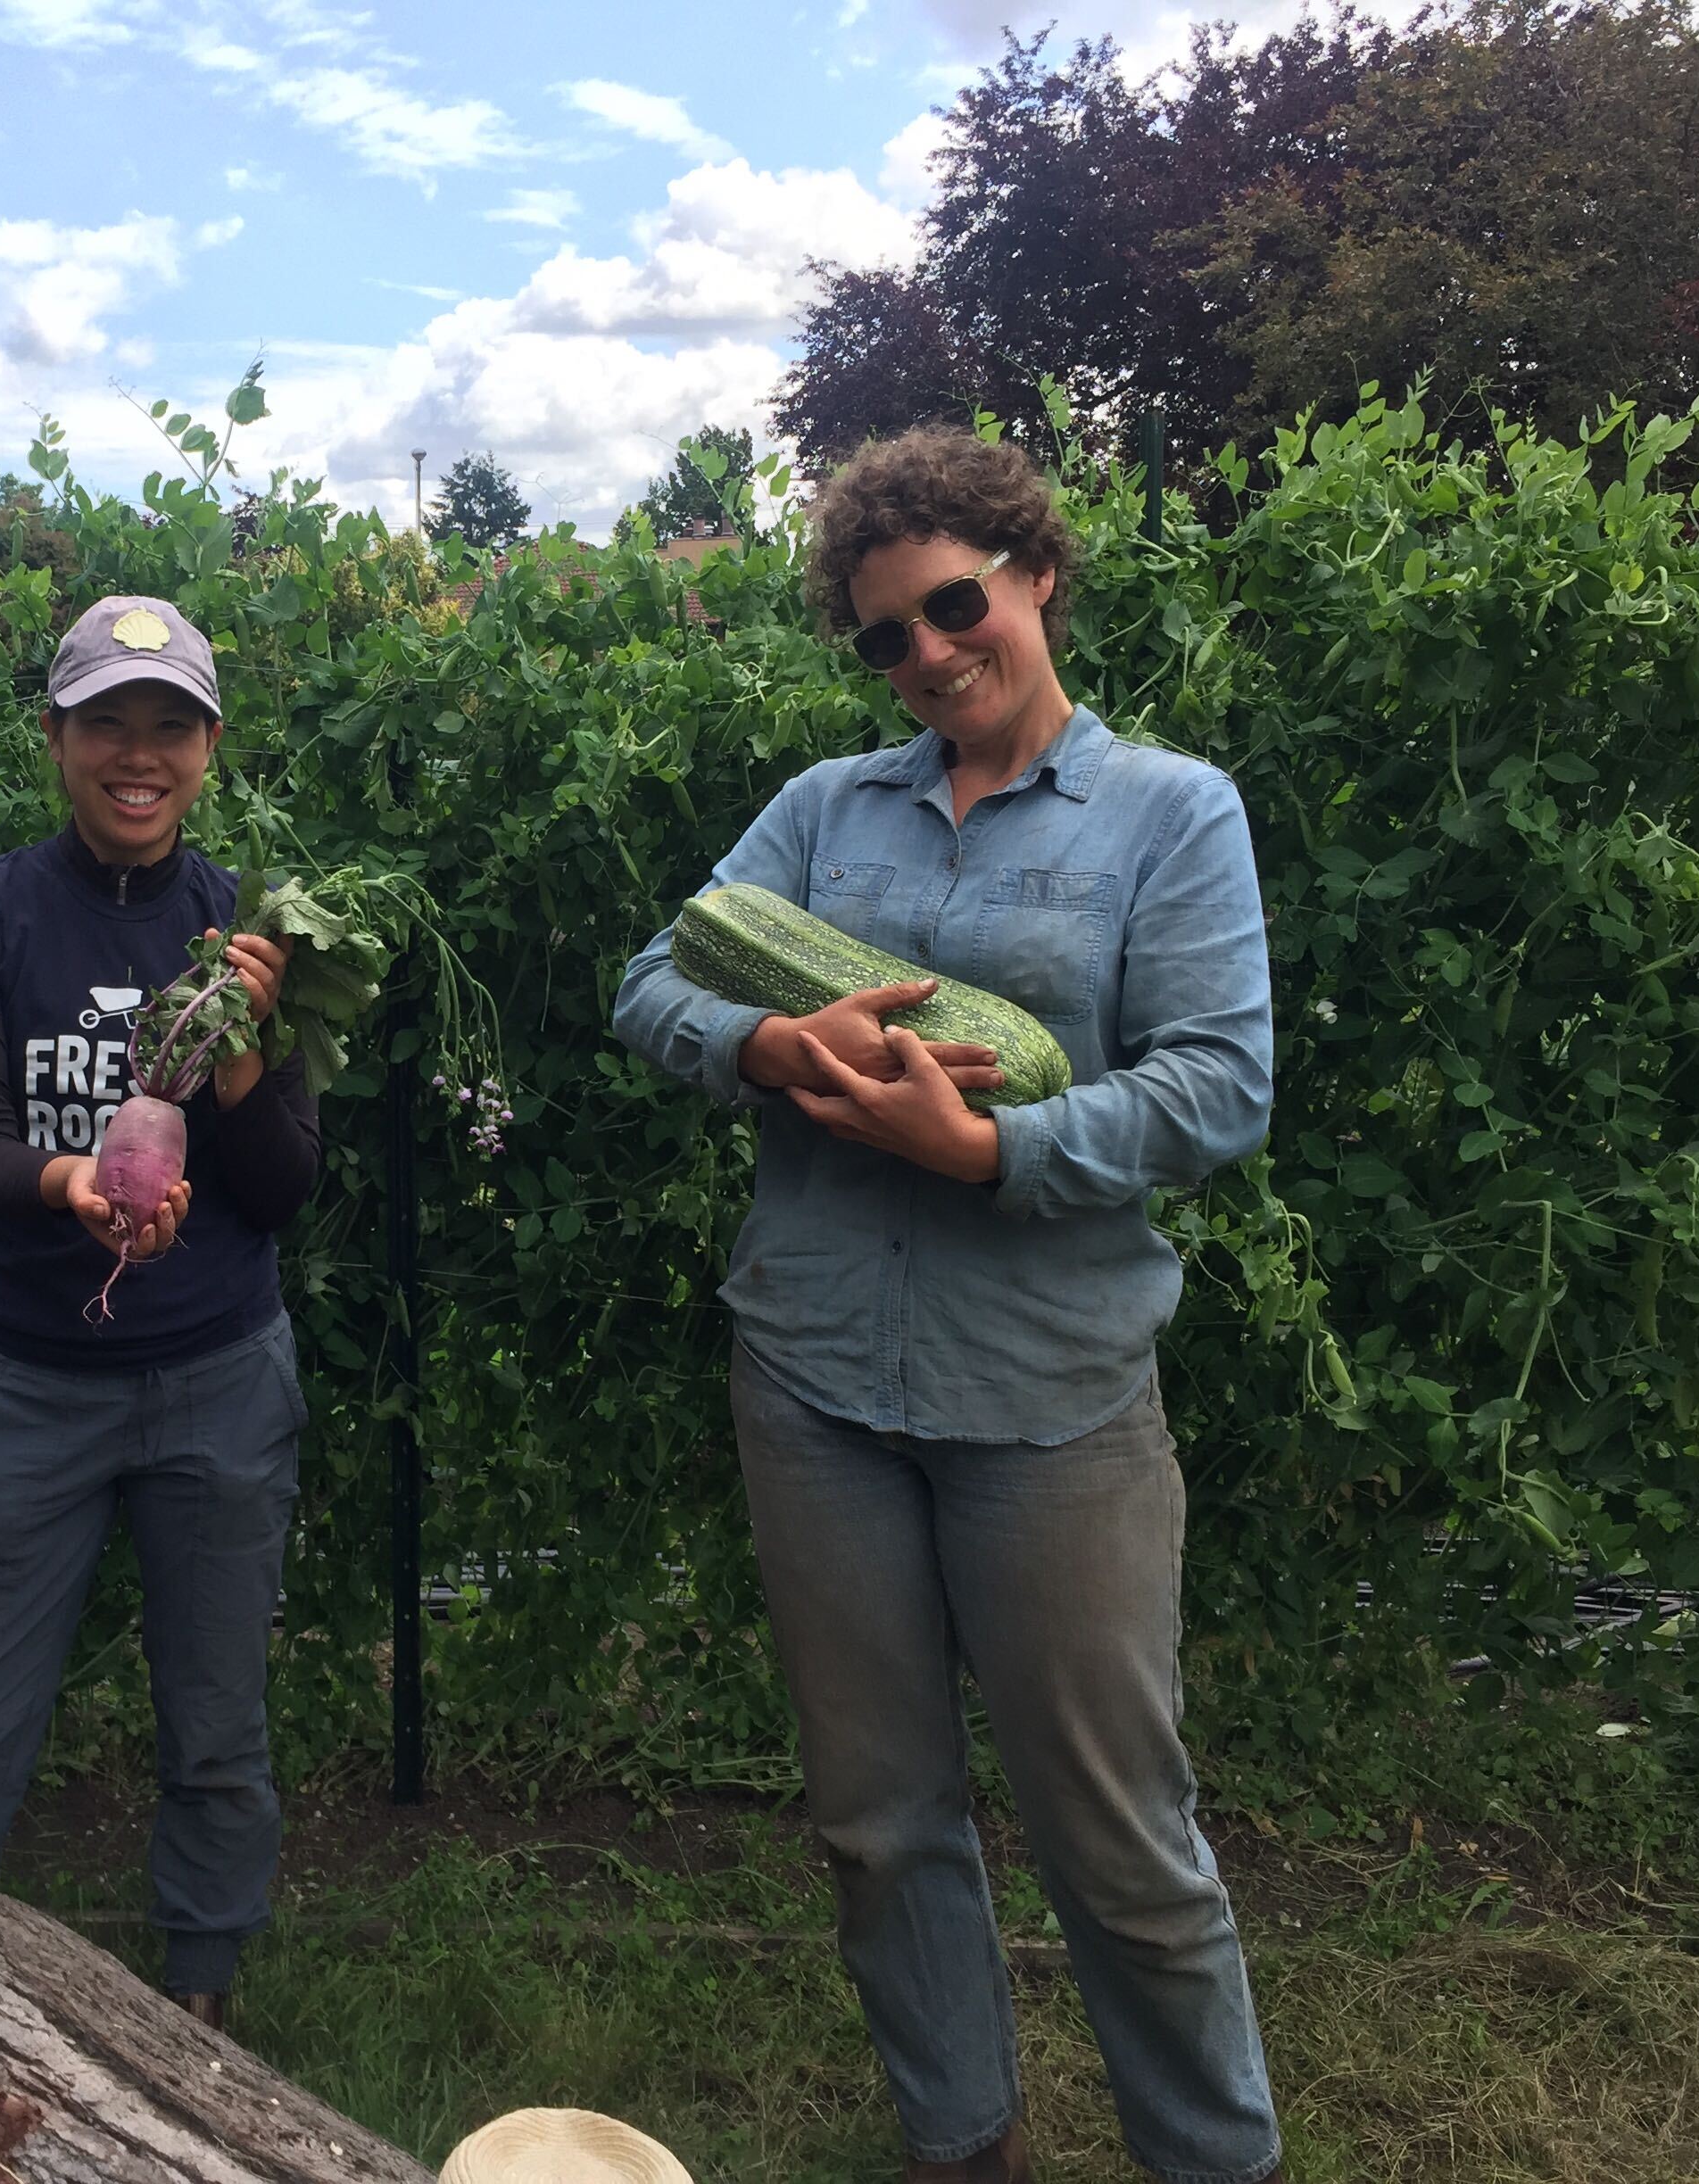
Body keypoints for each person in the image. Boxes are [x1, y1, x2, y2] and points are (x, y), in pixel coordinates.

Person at [612, 427, 1284, 2184]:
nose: (925, 653)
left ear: (1036, 575)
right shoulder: (826, 812)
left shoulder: (1171, 812)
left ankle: (1213, 2161)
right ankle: (959, 2147)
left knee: (1121, 1844)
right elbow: (652, 977)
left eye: (954, 606)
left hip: (1054, 1397)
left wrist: (995, 1151)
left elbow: (1220, 1086)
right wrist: (771, 1040)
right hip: (817, 1380)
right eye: (884, 635)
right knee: (878, 1823)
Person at [0, 592, 320, 2031]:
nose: (140, 755)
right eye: (107, 723)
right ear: (55, 738)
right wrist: (72, 1181)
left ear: (210, 747)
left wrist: (244, 1053)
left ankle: (200, 2009)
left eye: (170, 726)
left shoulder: (253, 933)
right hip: (33, 1387)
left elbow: (284, 1188)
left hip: (220, 1381)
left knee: (217, 1727)